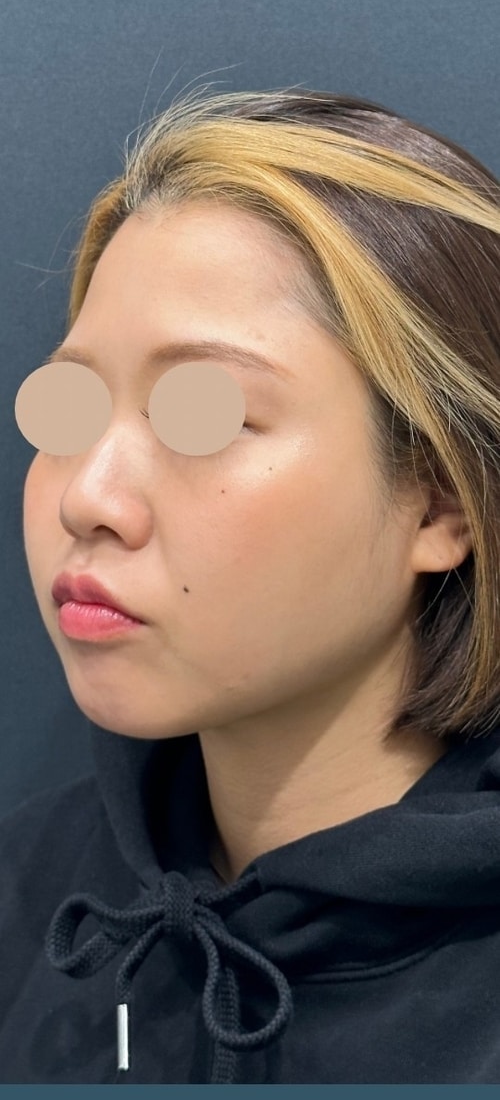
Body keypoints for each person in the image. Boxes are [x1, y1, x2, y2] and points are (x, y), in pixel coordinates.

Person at [1, 86, 500, 1084]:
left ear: (441, 500)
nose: (88, 496)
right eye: (71, 406)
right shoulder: (30, 887)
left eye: (204, 414)